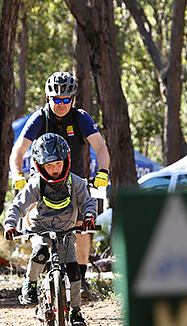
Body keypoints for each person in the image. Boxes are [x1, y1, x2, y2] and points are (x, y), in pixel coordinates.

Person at [8, 71, 110, 300]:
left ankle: (80, 281)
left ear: (73, 99)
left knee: (83, 226)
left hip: (74, 183)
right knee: (36, 224)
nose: (61, 104)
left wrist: (102, 173)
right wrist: (17, 176)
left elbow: (101, 149)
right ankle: (34, 280)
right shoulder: (39, 118)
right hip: (42, 183)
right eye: (56, 99)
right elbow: (18, 151)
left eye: (66, 99)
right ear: (48, 97)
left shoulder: (80, 118)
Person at [4, 133, 97, 326]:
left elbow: (89, 202)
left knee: (73, 272)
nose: (54, 170)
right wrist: (10, 224)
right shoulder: (36, 183)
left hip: (67, 231)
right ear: (39, 166)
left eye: (57, 164)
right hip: (41, 230)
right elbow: (18, 206)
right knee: (40, 253)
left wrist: (89, 217)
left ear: (66, 161)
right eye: (48, 166)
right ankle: (29, 285)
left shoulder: (76, 182)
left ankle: (76, 312)